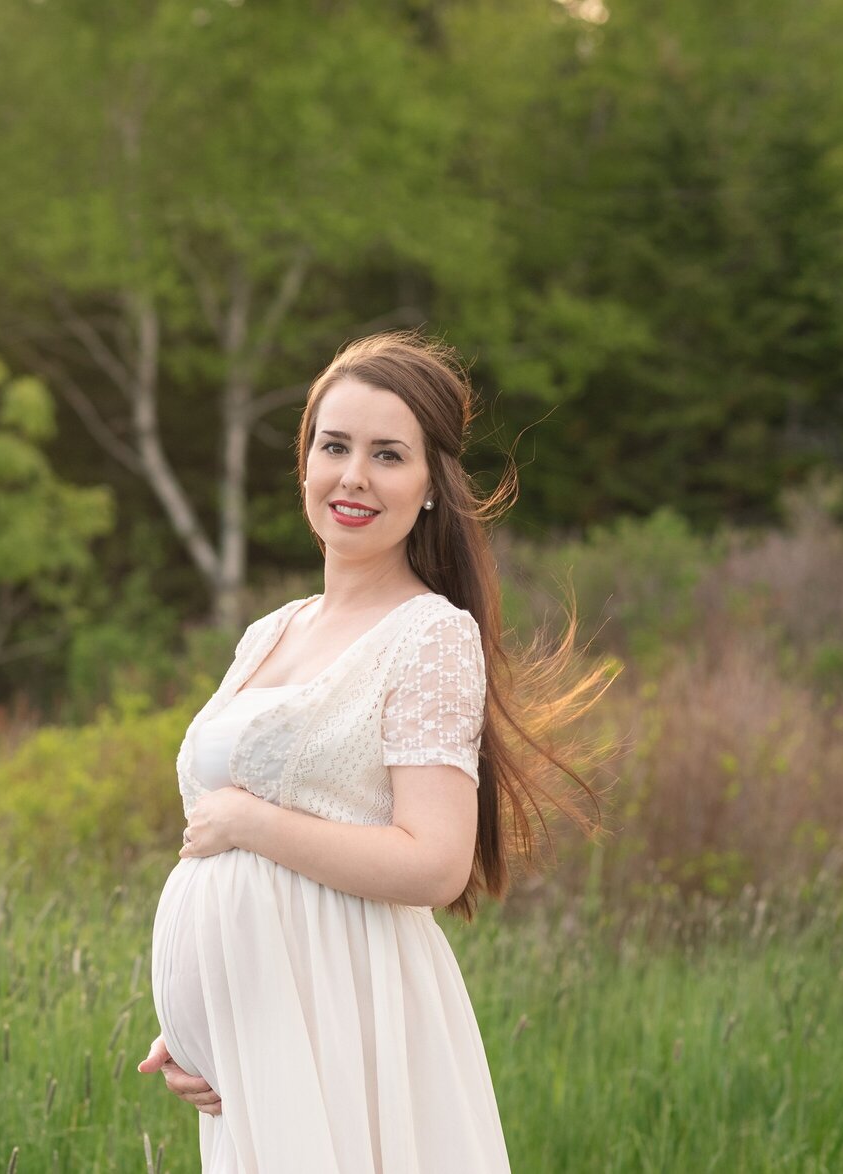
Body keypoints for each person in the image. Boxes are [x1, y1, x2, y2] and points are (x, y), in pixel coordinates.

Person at [138, 331, 605, 1173]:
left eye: (388, 455)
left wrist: (248, 821)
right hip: (262, 1042)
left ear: (430, 487)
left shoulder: (429, 637)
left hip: (349, 1027)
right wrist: (202, 1018)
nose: (353, 475)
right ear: (305, 462)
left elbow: (434, 863)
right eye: (335, 446)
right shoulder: (269, 632)